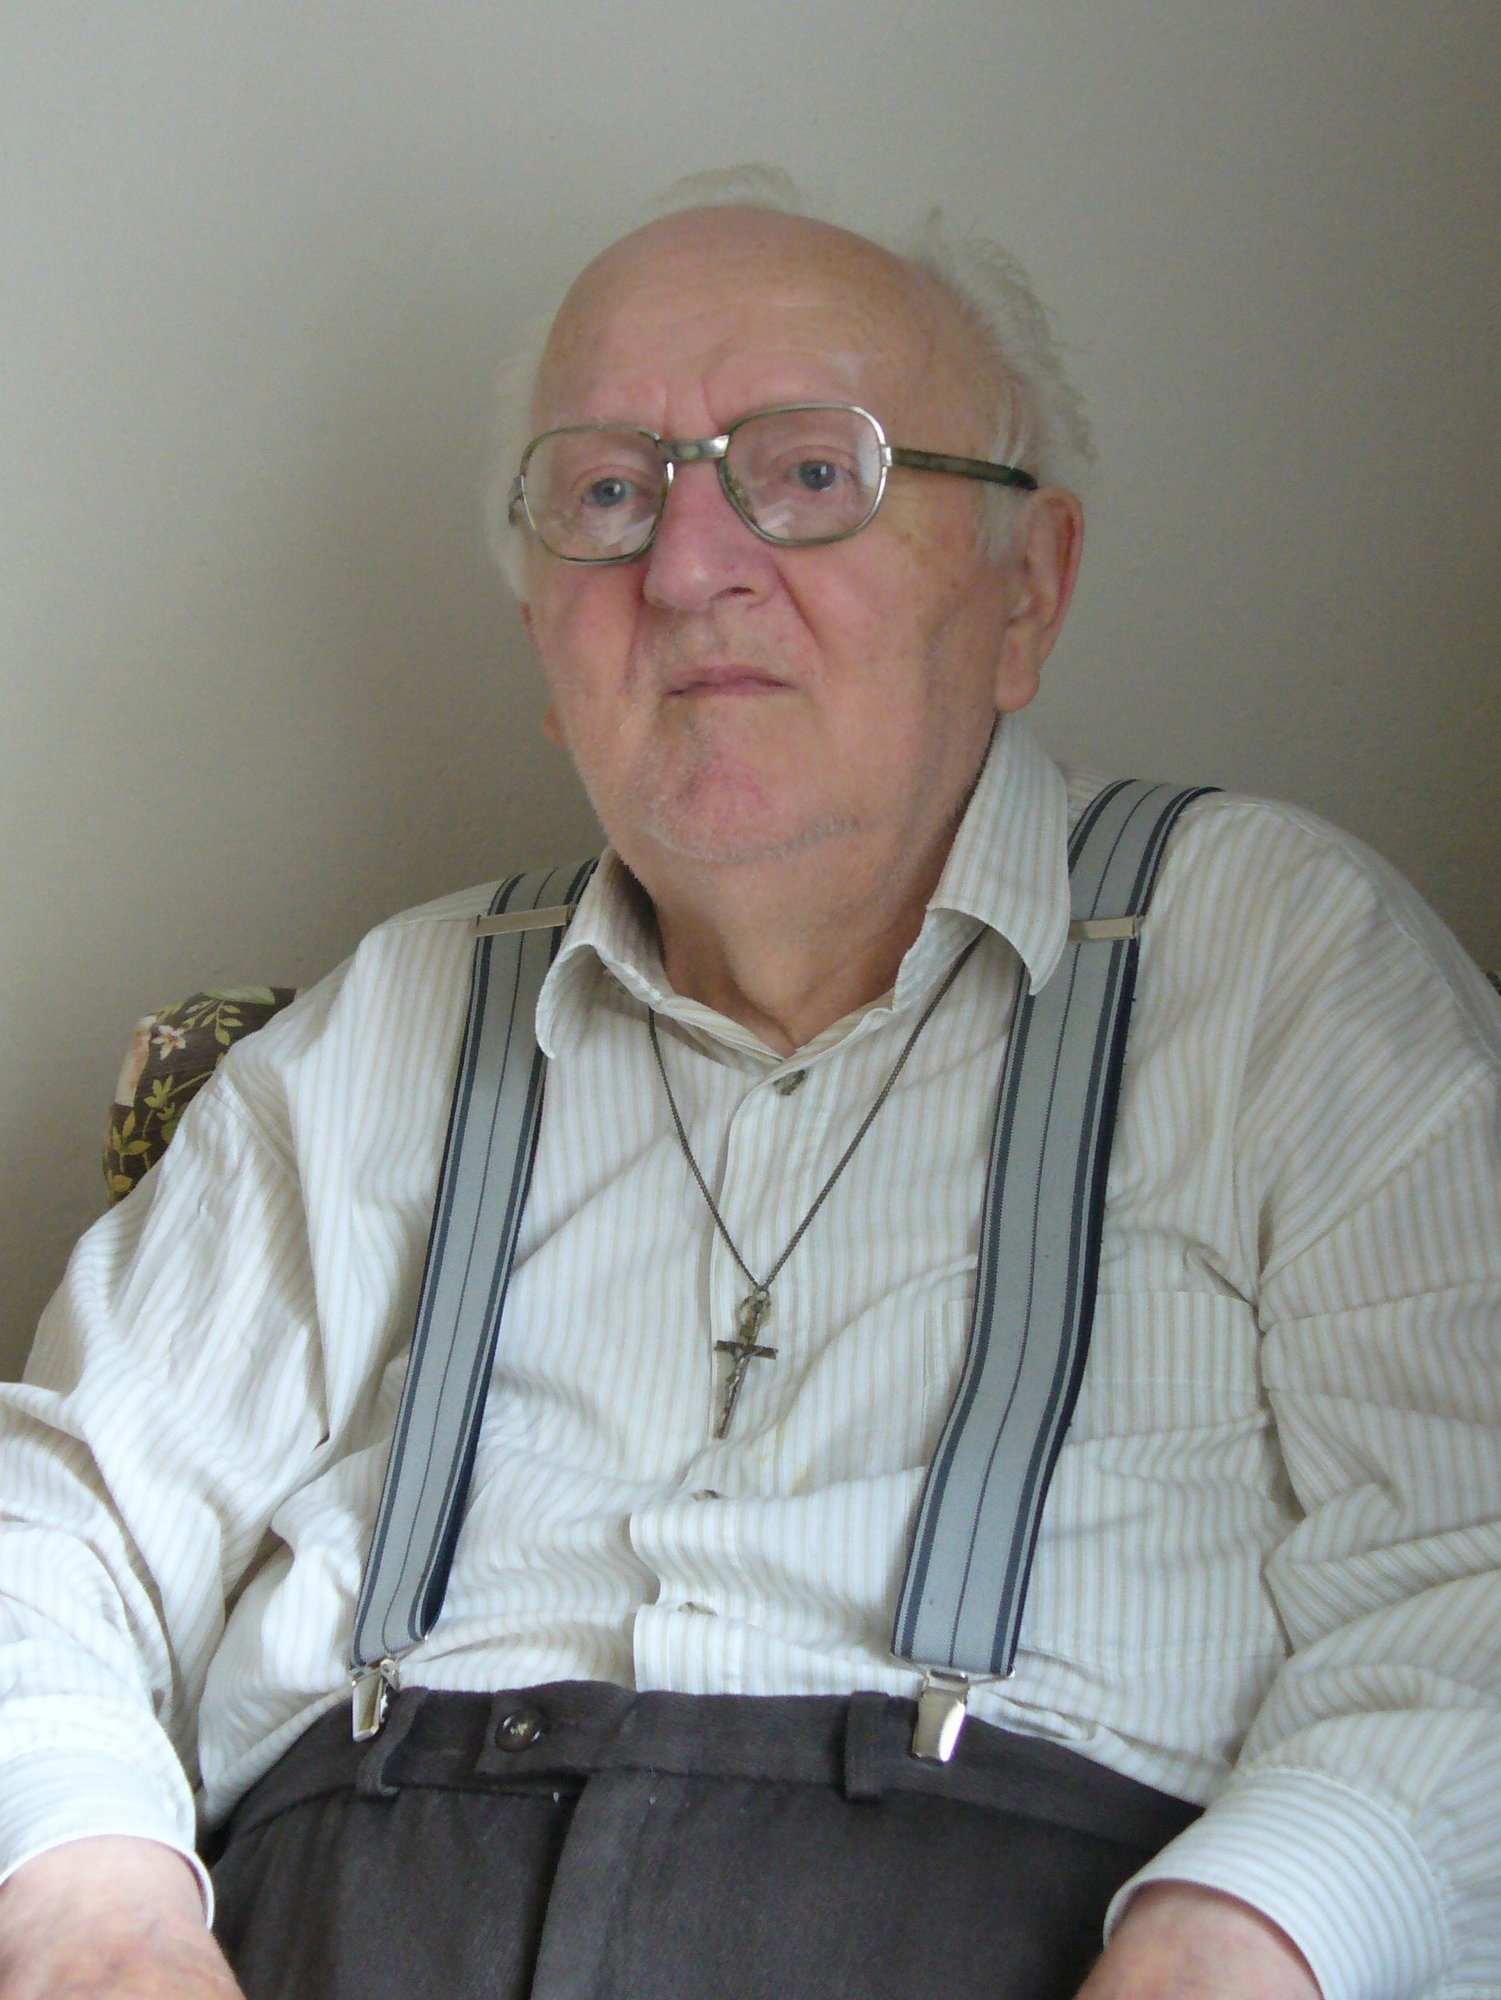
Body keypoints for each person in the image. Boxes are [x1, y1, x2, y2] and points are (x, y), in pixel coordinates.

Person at [1, 183, 1498, 2000]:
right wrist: (93, 1920)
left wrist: (1238, 1948)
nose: (687, 566)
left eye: (807, 473)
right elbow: (53, 1525)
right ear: (545, 638)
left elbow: (1470, 1579)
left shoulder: (1277, 960)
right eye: (607, 494)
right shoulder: (391, 1018)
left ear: (1024, 593)